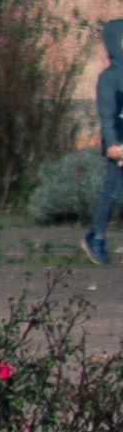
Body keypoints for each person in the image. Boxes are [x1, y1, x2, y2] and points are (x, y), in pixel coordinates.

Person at [90, 20, 123, 264]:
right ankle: (96, 237)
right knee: (112, 190)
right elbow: (107, 113)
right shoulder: (109, 78)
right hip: (119, 142)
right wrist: (112, 144)